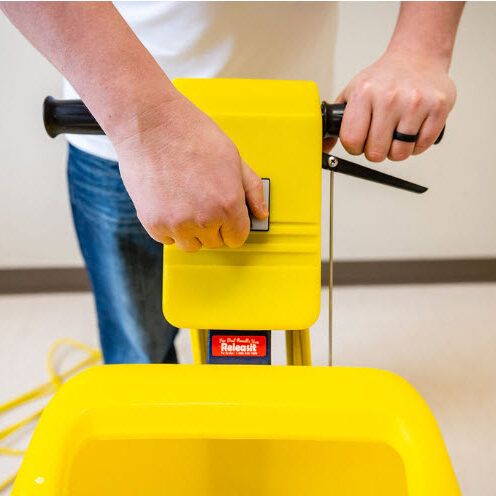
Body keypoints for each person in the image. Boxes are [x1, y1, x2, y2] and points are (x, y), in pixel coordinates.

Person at [1, 1, 464, 364]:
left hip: (279, 137)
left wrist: (419, 48)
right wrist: (150, 126)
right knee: (137, 352)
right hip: (120, 134)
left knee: (242, 353)